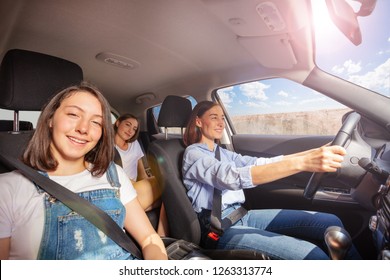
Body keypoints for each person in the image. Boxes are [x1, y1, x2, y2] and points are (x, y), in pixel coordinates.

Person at [0, 82, 167, 260]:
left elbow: (149, 238)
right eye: (73, 114)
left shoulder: (114, 174)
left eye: (96, 122)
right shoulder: (8, 188)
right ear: (50, 118)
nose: (84, 128)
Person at [182, 100, 361, 260]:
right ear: (198, 122)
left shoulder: (223, 152)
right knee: (313, 256)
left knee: (331, 222)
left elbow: (259, 163)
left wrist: (312, 153)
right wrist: (303, 163)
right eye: (214, 117)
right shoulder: (194, 153)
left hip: (243, 214)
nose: (221, 122)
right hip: (219, 228)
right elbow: (230, 177)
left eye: (222, 117)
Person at [114, 114, 168, 236]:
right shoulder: (108, 147)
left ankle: (161, 235)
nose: (130, 131)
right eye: (127, 125)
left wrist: (147, 181)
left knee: (169, 195)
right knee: (167, 184)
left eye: (134, 129)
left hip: (137, 186)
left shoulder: (135, 144)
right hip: (123, 187)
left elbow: (141, 172)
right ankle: (160, 236)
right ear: (117, 123)